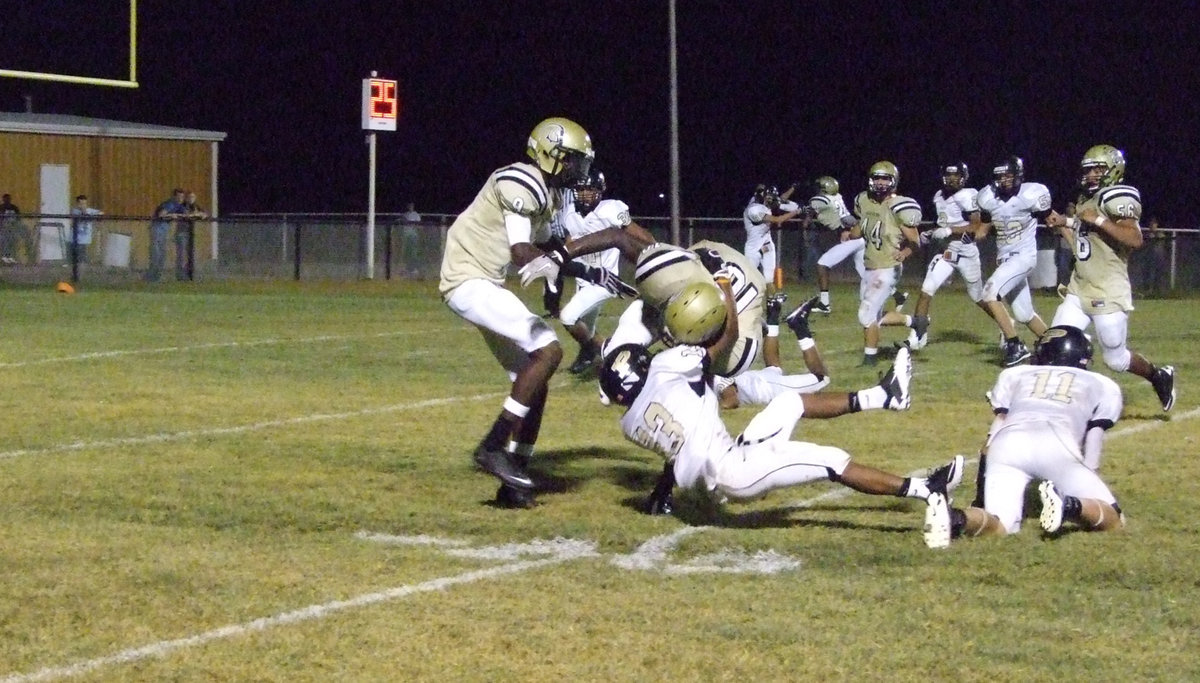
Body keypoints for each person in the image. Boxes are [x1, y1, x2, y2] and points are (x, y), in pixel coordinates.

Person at [599, 273, 963, 518]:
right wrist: (724, 286)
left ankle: (885, 395)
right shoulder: (666, 368)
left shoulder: (630, 425)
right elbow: (727, 337)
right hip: (734, 472)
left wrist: (660, 495)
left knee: (789, 402)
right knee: (831, 461)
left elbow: (676, 446)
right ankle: (926, 490)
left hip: (727, 459)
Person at [439, 116, 633, 509]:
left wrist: (585, 274)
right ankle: (493, 446)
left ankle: (514, 479)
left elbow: (549, 250)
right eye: (573, 159)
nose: (579, 169)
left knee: (534, 377)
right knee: (549, 350)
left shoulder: (550, 195)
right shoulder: (521, 181)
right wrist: (577, 270)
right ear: (551, 154)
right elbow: (521, 252)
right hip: (468, 279)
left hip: (482, 282)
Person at [924, 327, 1127, 548]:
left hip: (1006, 444)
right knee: (1115, 519)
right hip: (1054, 440)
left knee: (1001, 525)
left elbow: (992, 436)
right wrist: (1086, 481)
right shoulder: (1102, 384)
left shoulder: (1016, 374)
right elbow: (1094, 442)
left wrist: (981, 497)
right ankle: (1068, 505)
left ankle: (954, 518)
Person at [1045, 145, 1175, 411]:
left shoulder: (1118, 195)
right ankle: (1059, 406)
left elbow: (1135, 238)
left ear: (1114, 170)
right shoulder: (1087, 198)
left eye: (1097, 169)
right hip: (1078, 289)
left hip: (1107, 292)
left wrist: (1099, 221)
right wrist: (1065, 222)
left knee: (1116, 360)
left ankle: (1158, 375)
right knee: (1056, 346)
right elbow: (1085, 230)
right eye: (1088, 170)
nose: (1091, 175)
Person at [550, 168, 646, 375]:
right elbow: (570, 247)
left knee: (568, 317)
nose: (584, 194)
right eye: (580, 189)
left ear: (600, 190)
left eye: (589, 189)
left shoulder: (610, 209)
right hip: (584, 280)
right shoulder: (569, 213)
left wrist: (658, 249)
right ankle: (611, 358)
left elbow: (637, 233)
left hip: (605, 281)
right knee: (587, 328)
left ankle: (594, 351)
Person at [976, 156, 1052, 366]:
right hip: (1005, 259)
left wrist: (1071, 236)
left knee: (990, 293)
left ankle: (1015, 345)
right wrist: (969, 237)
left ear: (1018, 175)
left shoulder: (1031, 194)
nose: (1004, 180)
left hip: (1023, 256)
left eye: (1008, 176)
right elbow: (983, 227)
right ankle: (1055, 345)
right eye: (1000, 176)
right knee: (1024, 314)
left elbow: (1051, 218)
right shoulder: (987, 197)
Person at [906, 162, 989, 349]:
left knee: (978, 297)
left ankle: (1006, 325)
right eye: (948, 175)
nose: (952, 179)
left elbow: (976, 225)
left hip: (966, 253)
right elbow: (942, 223)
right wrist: (932, 232)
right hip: (947, 253)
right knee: (926, 290)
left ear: (963, 177)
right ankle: (918, 335)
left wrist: (950, 230)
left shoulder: (968, 195)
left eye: (956, 175)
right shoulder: (938, 196)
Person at [846, 161, 923, 365]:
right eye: (877, 178)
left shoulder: (899, 205)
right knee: (875, 315)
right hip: (869, 265)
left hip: (888, 267)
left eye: (885, 179)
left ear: (893, 181)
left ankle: (870, 359)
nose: (880, 183)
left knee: (866, 314)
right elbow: (861, 227)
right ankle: (916, 322)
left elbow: (916, 241)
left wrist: (905, 252)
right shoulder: (863, 200)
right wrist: (850, 233)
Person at [717, 293, 831, 409]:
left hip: (765, 386)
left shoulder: (711, 372)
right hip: (754, 379)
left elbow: (732, 400)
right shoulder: (709, 362)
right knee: (774, 367)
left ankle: (800, 326)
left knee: (822, 378)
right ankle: (773, 316)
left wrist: (711, 409)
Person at [806, 176, 863, 315]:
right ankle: (898, 296)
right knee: (866, 272)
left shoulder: (820, 200)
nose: (817, 190)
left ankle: (824, 304)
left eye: (820, 187)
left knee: (822, 264)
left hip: (849, 237)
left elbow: (810, 210)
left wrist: (803, 213)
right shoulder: (837, 197)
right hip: (857, 236)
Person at [742, 184, 801, 287]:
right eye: (767, 195)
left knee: (769, 279)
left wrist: (792, 189)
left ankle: (771, 297)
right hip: (753, 248)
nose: (769, 199)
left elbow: (785, 201)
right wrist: (797, 211)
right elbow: (778, 220)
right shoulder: (753, 209)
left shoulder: (765, 203)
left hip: (766, 245)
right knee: (749, 279)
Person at [147, 189, 185, 282]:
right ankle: (151, 277)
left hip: (165, 229)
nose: (180, 199)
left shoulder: (179, 206)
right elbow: (161, 214)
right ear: (174, 197)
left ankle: (157, 277)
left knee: (162, 253)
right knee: (157, 253)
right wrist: (171, 215)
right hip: (157, 227)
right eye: (179, 197)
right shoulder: (170, 204)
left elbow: (186, 213)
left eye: (182, 197)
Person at [176, 191, 207, 280]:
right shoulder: (182, 206)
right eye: (189, 197)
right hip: (182, 232)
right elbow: (186, 215)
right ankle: (181, 275)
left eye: (193, 197)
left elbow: (204, 214)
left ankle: (190, 274)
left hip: (191, 233)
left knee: (191, 254)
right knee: (181, 255)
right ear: (186, 198)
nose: (191, 199)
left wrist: (198, 214)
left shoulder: (195, 206)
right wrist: (194, 215)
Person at [68, 195, 103, 264]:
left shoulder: (90, 210)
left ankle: (84, 264)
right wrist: (85, 212)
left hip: (86, 237)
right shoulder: (75, 211)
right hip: (77, 237)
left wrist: (97, 216)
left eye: (84, 203)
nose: (83, 205)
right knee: (77, 255)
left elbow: (101, 213)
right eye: (81, 203)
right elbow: (84, 215)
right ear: (77, 204)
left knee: (85, 254)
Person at [1, 193, 33, 265]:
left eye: (8, 199)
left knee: (25, 234)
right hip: (4, 229)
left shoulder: (14, 208)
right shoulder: (1, 208)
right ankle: (6, 259)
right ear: (3, 200)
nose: (7, 201)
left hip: (14, 228)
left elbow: (18, 220)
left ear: (10, 200)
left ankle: (29, 256)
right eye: (6, 199)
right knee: (5, 240)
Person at [399, 202, 422, 277]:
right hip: (406, 236)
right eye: (409, 206)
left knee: (413, 252)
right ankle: (406, 269)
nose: (410, 207)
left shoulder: (416, 215)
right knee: (406, 252)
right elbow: (401, 223)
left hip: (413, 236)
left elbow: (419, 225)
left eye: (411, 206)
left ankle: (414, 269)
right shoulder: (405, 215)